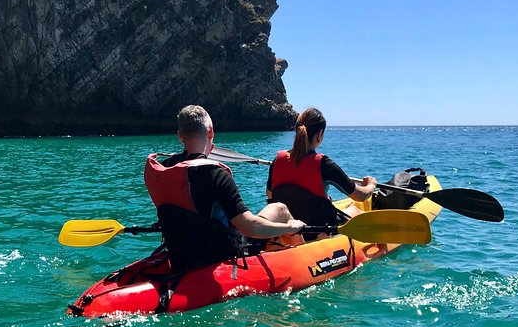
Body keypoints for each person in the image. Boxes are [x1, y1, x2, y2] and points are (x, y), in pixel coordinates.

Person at [144, 105, 305, 272]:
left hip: (181, 255)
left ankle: (278, 255)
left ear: (180, 136)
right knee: (280, 209)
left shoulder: (164, 169)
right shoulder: (215, 173)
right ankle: (305, 263)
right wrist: (291, 227)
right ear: (211, 132)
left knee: (274, 211)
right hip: (219, 254)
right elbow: (249, 227)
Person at [266, 107, 377, 239]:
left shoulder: (277, 160)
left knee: (347, 207)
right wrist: (371, 185)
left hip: (287, 229)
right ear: (320, 134)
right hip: (318, 230)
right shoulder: (324, 164)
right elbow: (361, 196)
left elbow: (270, 195)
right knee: (356, 211)